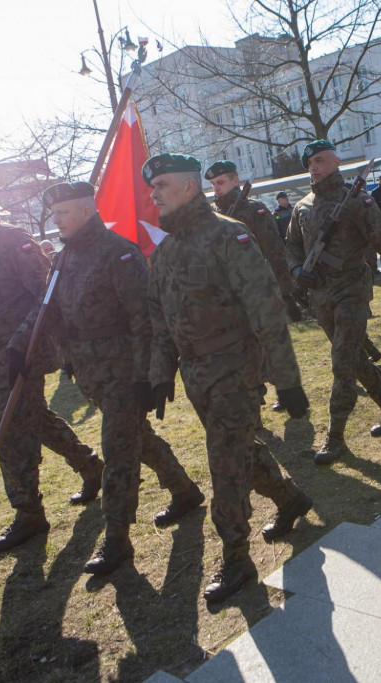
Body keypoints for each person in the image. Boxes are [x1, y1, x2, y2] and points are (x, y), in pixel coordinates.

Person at [9, 181, 204, 575]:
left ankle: (117, 537)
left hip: (122, 372)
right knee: (136, 439)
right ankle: (184, 490)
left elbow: (144, 318)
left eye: (62, 213)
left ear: (85, 211)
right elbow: (46, 308)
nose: (56, 219)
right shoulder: (64, 258)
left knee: (118, 450)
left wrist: (146, 375)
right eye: (54, 213)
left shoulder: (119, 253)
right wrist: (18, 344)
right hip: (88, 372)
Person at [144, 152, 313, 602]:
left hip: (236, 368)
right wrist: (159, 375)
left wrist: (286, 380)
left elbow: (267, 310)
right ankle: (290, 499)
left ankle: (236, 558)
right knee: (239, 450)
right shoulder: (165, 252)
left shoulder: (228, 235)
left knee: (224, 462)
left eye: (161, 185)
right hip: (196, 373)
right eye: (152, 186)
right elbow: (159, 320)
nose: (153, 194)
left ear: (187, 186)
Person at [0, 175, 104, 552]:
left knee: (11, 431)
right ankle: (92, 467)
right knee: (35, 420)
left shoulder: (15, 242)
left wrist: (20, 343)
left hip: (26, 355)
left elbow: (47, 297)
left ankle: (28, 513)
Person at [285, 140, 381, 463]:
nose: (314, 167)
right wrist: (297, 270)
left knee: (341, 362)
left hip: (351, 292)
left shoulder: (359, 203)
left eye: (320, 160)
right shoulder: (303, 206)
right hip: (320, 298)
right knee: (355, 360)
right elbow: (291, 247)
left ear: (336, 161)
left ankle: (335, 437)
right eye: (310, 162)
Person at [206, 160, 302, 322]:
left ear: (235, 181)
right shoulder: (214, 215)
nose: (216, 188)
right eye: (213, 184)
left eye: (220, 182)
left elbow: (275, 251)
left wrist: (285, 292)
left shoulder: (253, 210)